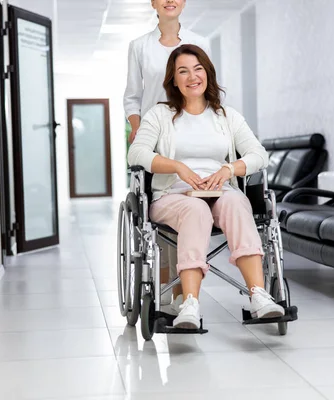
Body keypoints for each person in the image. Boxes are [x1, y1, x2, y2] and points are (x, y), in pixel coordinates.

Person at [127, 44, 285, 329]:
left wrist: (228, 170)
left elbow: (258, 155)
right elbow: (136, 154)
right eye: (183, 71)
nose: (192, 76)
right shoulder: (159, 115)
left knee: (238, 203)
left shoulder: (227, 116)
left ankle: (258, 296)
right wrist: (177, 167)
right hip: (173, 196)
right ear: (173, 80)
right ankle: (189, 303)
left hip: (221, 191)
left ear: (208, 74)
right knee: (196, 210)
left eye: (198, 69)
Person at [123, 0, 210, 310]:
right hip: (155, 139)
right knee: (161, 218)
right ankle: (167, 292)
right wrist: (138, 130)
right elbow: (133, 97)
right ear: (153, 3)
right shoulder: (139, 46)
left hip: (192, 136)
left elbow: (206, 89)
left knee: (189, 207)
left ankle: (181, 296)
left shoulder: (200, 42)